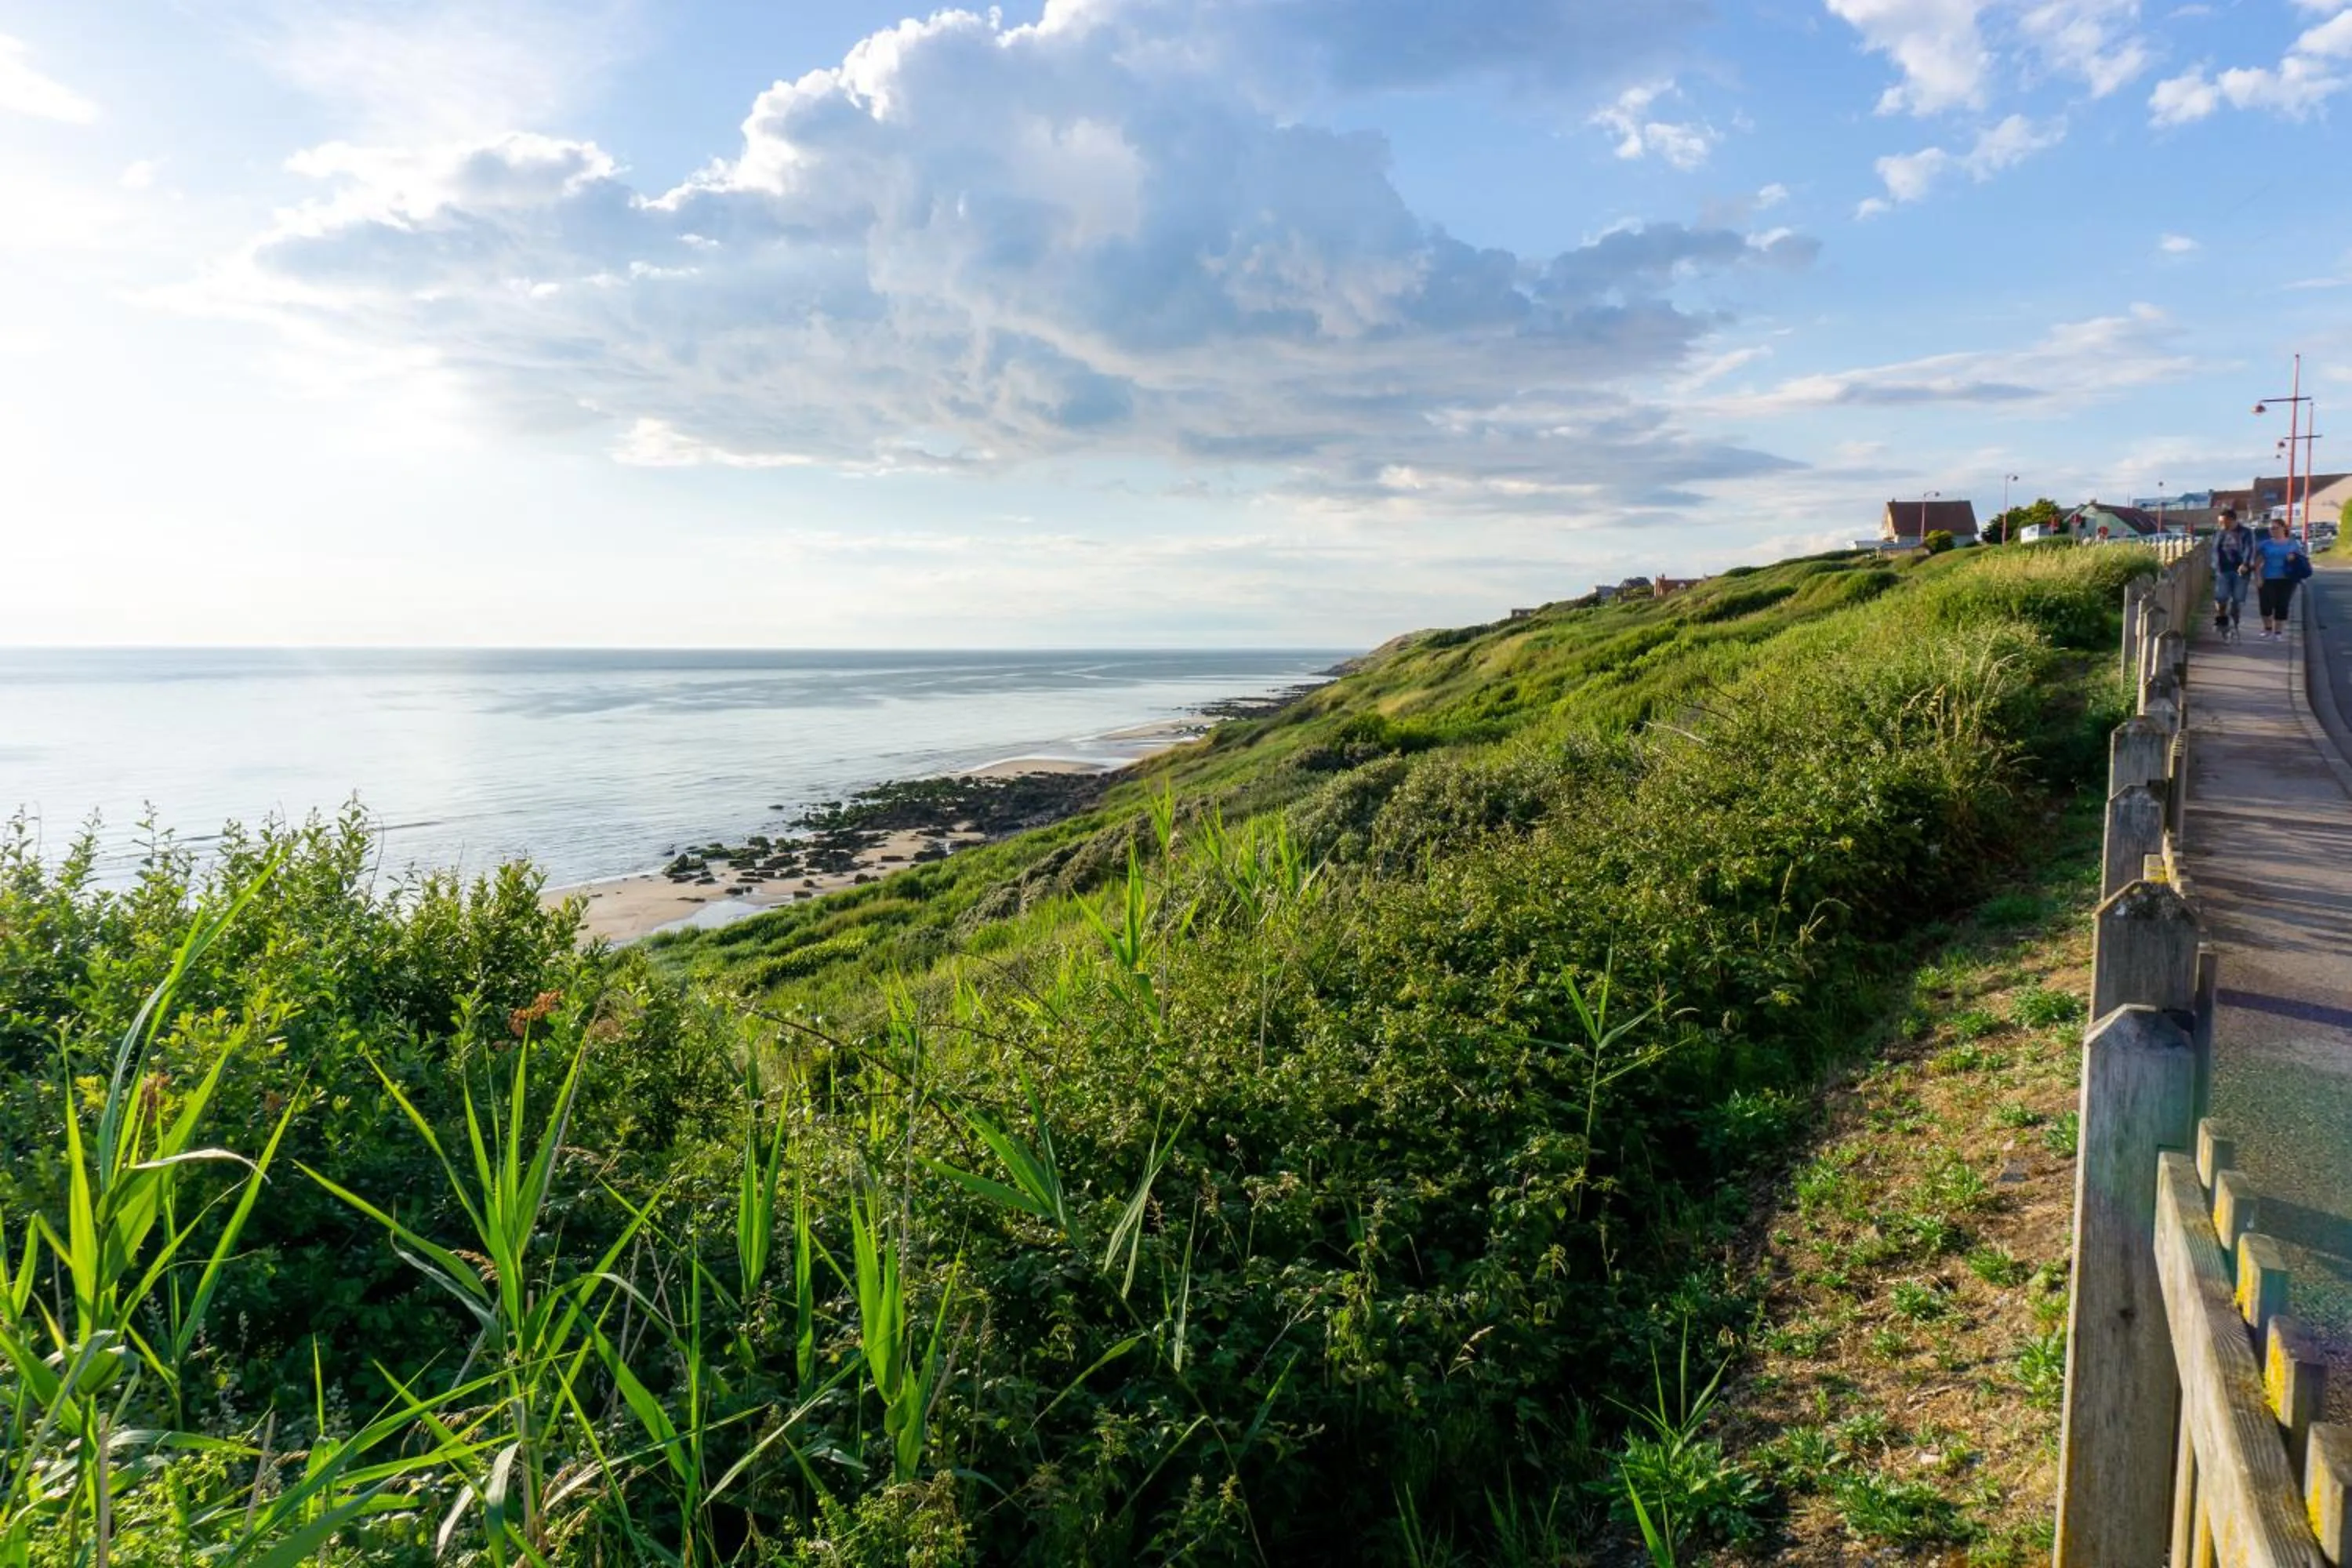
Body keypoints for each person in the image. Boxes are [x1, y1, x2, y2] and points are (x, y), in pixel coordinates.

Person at [2253, 518, 2310, 640]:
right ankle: (2267, 628)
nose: (2272, 530)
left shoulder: (2292, 544)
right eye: (2271, 528)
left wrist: (2293, 559)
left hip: (2287, 579)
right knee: (2266, 605)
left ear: (2283, 528)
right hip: (2268, 578)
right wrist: (2258, 577)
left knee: (2282, 605)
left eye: (2275, 528)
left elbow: (2301, 561)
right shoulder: (2265, 544)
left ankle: (2278, 632)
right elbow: (2257, 563)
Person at [2212, 508, 2255, 633]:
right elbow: (2215, 550)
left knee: (2238, 598)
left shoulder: (2246, 533)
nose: (2221, 525)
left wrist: (2245, 564)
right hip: (2223, 569)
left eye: (2223, 522)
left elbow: (2249, 548)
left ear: (2232, 520)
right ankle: (2222, 620)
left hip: (2240, 570)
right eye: (2220, 522)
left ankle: (2235, 617)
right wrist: (2215, 565)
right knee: (2221, 597)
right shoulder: (2219, 533)